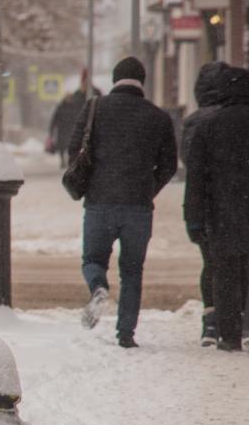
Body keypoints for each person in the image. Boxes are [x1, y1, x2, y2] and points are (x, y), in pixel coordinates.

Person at [70, 56, 177, 348]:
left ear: (115, 79)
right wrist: (147, 188)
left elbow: (75, 148)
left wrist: (93, 182)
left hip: (100, 202)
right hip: (139, 207)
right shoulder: (158, 116)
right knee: (132, 270)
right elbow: (169, 165)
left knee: (93, 259)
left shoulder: (94, 108)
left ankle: (98, 286)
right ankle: (126, 333)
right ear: (142, 80)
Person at [183, 64, 249, 352]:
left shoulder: (208, 126)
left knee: (223, 272)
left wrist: (193, 218)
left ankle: (228, 333)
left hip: (220, 214)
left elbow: (195, 177)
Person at [180, 61, 229, 346]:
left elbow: (190, 165)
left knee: (211, 263)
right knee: (236, 264)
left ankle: (211, 320)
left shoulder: (195, 121)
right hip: (235, 202)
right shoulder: (236, 117)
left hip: (207, 205)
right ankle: (236, 319)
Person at [48, 69, 99, 167]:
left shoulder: (95, 92)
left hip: (87, 126)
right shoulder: (77, 95)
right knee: (68, 145)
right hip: (72, 127)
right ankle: (68, 160)